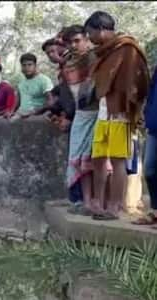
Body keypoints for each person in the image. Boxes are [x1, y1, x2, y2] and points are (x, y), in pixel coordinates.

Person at [85, 11, 149, 220]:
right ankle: (97, 203)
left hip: (120, 111)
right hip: (104, 110)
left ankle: (114, 207)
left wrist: (130, 106)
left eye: (91, 33)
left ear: (102, 30)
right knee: (98, 157)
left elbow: (136, 82)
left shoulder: (128, 49)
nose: (90, 38)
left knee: (118, 159)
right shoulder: (106, 51)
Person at [60, 25, 98, 216]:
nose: (74, 45)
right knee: (79, 160)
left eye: (78, 40)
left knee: (92, 160)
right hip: (81, 114)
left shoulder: (93, 57)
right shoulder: (68, 62)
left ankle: (94, 202)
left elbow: (91, 88)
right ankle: (84, 201)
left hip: (96, 113)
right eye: (71, 42)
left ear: (86, 38)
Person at [135, 59, 157, 226]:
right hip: (154, 127)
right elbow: (152, 93)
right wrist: (146, 113)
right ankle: (155, 211)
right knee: (149, 170)